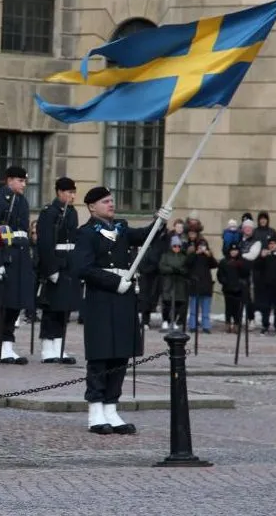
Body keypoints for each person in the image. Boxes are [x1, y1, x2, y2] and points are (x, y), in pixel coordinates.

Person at [74, 186, 166, 435]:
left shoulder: (121, 229)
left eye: (112, 200)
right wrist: (114, 281)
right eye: (105, 201)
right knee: (101, 355)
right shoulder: (86, 234)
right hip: (102, 299)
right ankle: (95, 412)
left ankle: (111, 408)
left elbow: (144, 237)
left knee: (120, 354)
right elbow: (83, 268)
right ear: (92, 207)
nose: (111, 204)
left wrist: (159, 221)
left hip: (123, 302)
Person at [0, 166, 34, 364]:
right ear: (9, 180)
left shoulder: (21, 201)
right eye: (20, 181)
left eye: (24, 181)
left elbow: (23, 232)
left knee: (15, 305)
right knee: (3, 305)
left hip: (20, 257)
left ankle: (7, 346)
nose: (24, 184)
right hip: (5, 256)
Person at [35, 176, 80, 364]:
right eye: (69, 192)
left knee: (64, 307)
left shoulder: (71, 213)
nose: (72, 196)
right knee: (51, 308)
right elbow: (45, 242)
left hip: (68, 264)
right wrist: (51, 267)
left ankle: (59, 346)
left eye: (73, 192)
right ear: (60, 192)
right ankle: (47, 347)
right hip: (55, 262)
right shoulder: (49, 212)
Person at [255, 235, 276, 336]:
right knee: (265, 308)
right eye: (270, 244)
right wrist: (261, 257)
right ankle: (265, 326)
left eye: (274, 244)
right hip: (266, 287)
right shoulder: (265, 257)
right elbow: (256, 267)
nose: (272, 245)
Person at [185, 237, 217, 333]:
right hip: (195, 285)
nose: (201, 248)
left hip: (206, 285)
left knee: (206, 309)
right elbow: (187, 263)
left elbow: (215, 264)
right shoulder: (193, 255)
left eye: (203, 245)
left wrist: (209, 255)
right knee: (193, 309)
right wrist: (195, 254)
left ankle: (206, 326)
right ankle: (192, 326)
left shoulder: (207, 257)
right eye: (200, 245)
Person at [217, 243, 249, 334]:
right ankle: (227, 324)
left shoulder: (242, 261)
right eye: (232, 250)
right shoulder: (224, 261)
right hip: (227, 288)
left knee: (237, 308)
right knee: (228, 308)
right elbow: (220, 274)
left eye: (235, 250)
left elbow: (246, 274)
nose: (234, 252)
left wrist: (241, 267)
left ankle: (236, 325)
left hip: (238, 289)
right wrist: (224, 281)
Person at [159, 236, 189, 331]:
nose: (177, 248)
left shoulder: (183, 257)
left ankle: (174, 321)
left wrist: (179, 271)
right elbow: (162, 266)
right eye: (175, 246)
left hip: (179, 282)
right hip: (168, 281)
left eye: (178, 246)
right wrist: (171, 270)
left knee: (178, 303)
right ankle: (165, 321)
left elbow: (186, 268)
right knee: (167, 302)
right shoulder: (166, 255)